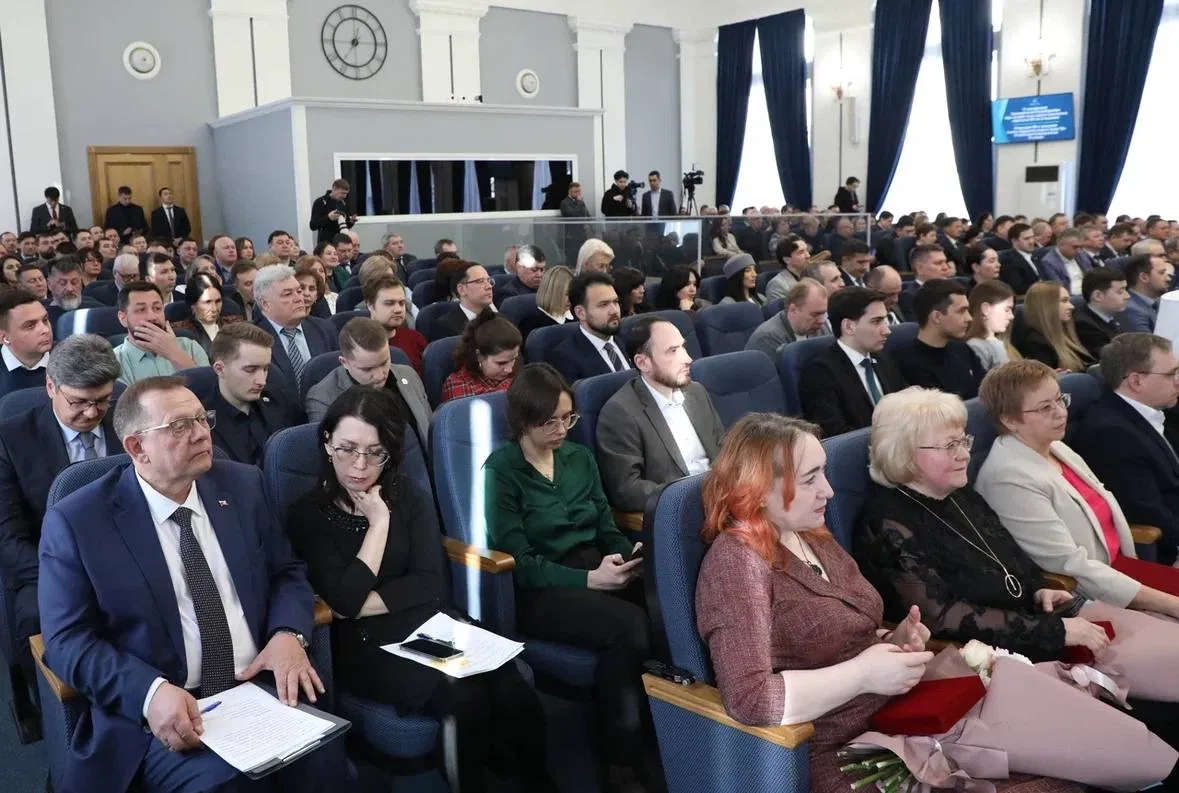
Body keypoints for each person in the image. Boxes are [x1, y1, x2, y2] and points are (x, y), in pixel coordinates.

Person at [37, 376, 342, 793]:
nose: (201, 434)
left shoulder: (243, 485)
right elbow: (66, 641)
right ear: (137, 447)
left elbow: (286, 571)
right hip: (162, 711)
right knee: (229, 785)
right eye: (179, 426)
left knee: (326, 759)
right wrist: (150, 693)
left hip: (256, 687)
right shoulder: (79, 521)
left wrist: (289, 633)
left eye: (202, 419)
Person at [295, 384, 563, 793]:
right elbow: (344, 603)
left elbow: (430, 583)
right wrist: (379, 525)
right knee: (463, 697)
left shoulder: (409, 495)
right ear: (327, 441)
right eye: (347, 449)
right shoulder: (307, 514)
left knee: (509, 682)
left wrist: (364, 600)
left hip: (429, 623)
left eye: (375, 452)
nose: (359, 466)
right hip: (365, 646)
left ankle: (538, 783)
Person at [485, 363, 652, 786]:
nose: (562, 430)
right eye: (550, 422)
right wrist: (590, 580)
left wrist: (627, 555)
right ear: (524, 420)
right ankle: (621, 761)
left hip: (594, 566)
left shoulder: (580, 458)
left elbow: (606, 529)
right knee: (629, 626)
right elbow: (521, 562)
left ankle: (664, 730)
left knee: (664, 602)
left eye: (568, 418)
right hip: (543, 587)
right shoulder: (502, 470)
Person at [976, 360, 1179, 620]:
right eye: (1045, 407)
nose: (1061, 413)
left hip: (1119, 571)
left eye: (1060, 400)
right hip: (1086, 597)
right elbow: (1071, 567)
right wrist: (1170, 604)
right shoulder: (1008, 478)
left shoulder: (1055, 446)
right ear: (1009, 420)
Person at [0, 335, 120, 719]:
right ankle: (61, 720)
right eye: (79, 402)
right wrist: (68, 578)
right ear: (50, 386)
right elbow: (7, 536)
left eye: (102, 400)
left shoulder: (127, 421)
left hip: (128, 553)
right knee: (37, 616)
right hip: (44, 564)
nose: (92, 412)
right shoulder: (11, 438)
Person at [596, 316, 725, 512]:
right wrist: (693, 494)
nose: (687, 359)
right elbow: (627, 490)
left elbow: (723, 449)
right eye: (672, 351)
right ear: (643, 363)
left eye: (683, 347)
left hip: (722, 499)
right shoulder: (620, 412)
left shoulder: (696, 392)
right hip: (680, 511)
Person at [1073, 334, 1179, 563]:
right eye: (1171, 374)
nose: (1177, 381)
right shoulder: (1111, 435)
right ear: (1136, 381)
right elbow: (1150, 515)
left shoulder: (1155, 410)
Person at [798, 287, 906, 437]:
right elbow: (835, 435)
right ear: (849, 326)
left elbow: (906, 403)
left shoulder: (882, 358)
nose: (887, 330)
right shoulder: (820, 373)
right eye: (876, 322)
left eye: (885, 320)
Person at [304, 318, 430, 444]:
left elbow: (430, 431)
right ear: (344, 362)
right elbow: (329, 451)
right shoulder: (323, 398)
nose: (379, 376)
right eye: (368, 369)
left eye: (384, 362)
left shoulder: (408, 375)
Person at [200, 322, 293, 466]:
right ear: (220, 369)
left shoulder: (278, 400)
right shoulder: (203, 423)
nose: (262, 381)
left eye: (266, 369)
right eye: (250, 370)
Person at [892, 280, 986, 400]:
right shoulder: (907, 362)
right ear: (937, 317)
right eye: (961, 311)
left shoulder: (962, 348)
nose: (969, 318)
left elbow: (987, 390)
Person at [253, 264, 338, 394]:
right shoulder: (252, 339)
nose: (299, 298)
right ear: (265, 304)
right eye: (288, 294)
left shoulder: (325, 329)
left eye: (299, 291)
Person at [113, 283, 207, 384]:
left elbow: (208, 389)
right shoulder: (114, 362)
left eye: (157, 308)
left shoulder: (190, 346)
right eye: (141, 310)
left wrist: (174, 353)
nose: (152, 317)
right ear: (123, 318)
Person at [549, 272, 630, 382]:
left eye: (615, 302)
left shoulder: (629, 340)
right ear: (580, 313)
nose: (614, 311)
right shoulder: (565, 357)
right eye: (603, 305)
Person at [440, 311, 521, 403]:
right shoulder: (457, 386)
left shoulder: (519, 379)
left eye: (513, 359)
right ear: (479, 356)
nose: (509, 369)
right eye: (501, 363)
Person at [1015, 282, 1094, 373]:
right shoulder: (1035, 344)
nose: (1072, 306)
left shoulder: (1075, 331)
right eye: (1064, 301)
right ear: (1046, 306)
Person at [745, 278, 828, 359]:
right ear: (793, 310)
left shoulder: (816, 327)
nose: (821, 320)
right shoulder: (767, 339)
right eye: (815, 314)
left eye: (823, 313)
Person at [364, 274, 427, 372]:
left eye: (402, 303)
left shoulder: (416, 339)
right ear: (370, 305)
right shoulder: (359, 346)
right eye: (389, 303)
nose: (398, 309)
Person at [0, 289, 53, 398]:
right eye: (30, 326)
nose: (45, 330)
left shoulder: (71, 357)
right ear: (4, 337)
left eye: (45, 320)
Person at [1073, 267, 1128, 360]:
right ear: (1098, 296)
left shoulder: (1113, 314)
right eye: (1120, 292)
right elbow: (1111, 360)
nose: (1127, 296)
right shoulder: (1085, 326)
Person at [965, 279, 1019, 371]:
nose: (1011, 316)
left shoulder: (1000, 343)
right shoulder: (976, 346)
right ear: (986, 309)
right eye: (1006, 310)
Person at [436, 261, 495, 339]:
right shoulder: (445, 327)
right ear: (462, 290)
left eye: (489, 280)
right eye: (480, 281)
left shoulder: (499, 318)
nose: (489, 286)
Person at [1120, 253, 1172, 333]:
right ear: (1144, 277)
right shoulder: (1132, 311)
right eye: (1161, 273)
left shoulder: (1159, 302)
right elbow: (1149, 342)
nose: (1168, 279)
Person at [997, 222, 1043, 296]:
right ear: (1014, 241)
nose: (1032, 241)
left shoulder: (1037, 255)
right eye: (1026, 239)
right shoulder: (1008, 260)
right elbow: (1018, 288)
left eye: (1032, 237)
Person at [765, 236, 812, 301]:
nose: (808, 255)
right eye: (801, 252)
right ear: (787, 260)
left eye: (807, 250)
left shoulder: (812, 275)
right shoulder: (777, 285)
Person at [311, 178, 356, 245]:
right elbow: (313, 225)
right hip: (326, 244)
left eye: (346, 194)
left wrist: (351, 222)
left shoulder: (343, 204)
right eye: (343, 193)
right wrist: (328, 218)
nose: (344, 196)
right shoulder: (320, 202)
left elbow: (343, 226)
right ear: (334, 189)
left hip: (341, 244)